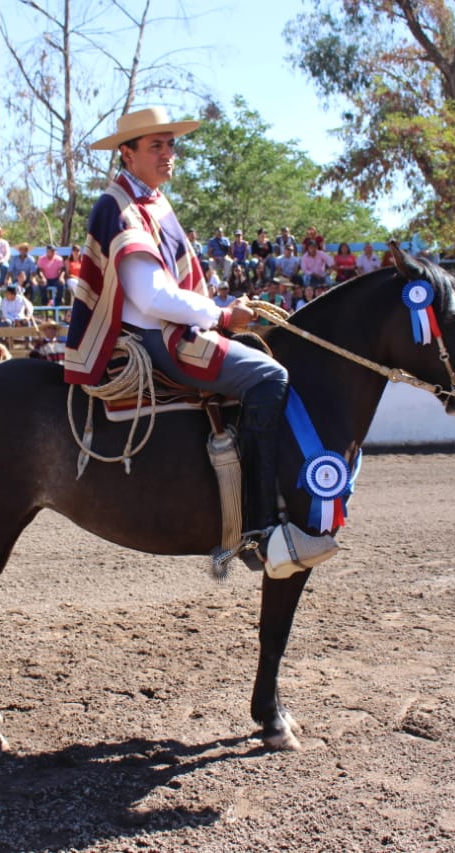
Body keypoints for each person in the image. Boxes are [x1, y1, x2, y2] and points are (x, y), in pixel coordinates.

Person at [69, 106, 333, 575]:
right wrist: (222, 313)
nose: (169, 154)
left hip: (171, 326)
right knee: (270, 378)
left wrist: (220, 309)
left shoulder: (150, 200)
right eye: (156, 146)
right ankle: (260, 530)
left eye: (171, 144)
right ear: (126, 154)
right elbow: (150, 297)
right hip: (156, 337)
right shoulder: (119, 206)